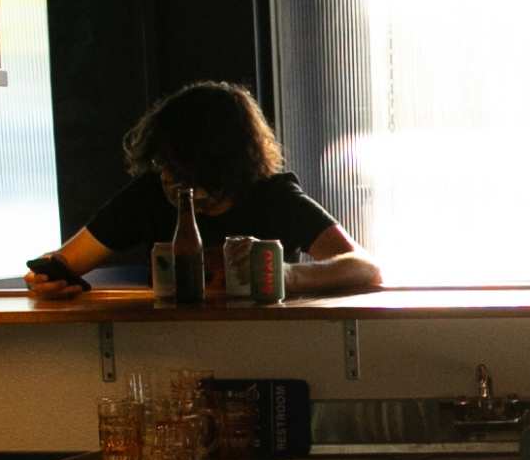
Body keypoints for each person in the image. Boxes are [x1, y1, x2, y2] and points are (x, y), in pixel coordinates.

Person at [23, 81, 382, 298]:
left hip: (269, 345)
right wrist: (46, 279)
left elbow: (365, 267)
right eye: (166, 169)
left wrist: (286, 276)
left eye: (192, 176)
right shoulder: (148, 195)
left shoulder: (273, 196)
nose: (178, 187)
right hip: (165, 348)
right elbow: (64, 261)